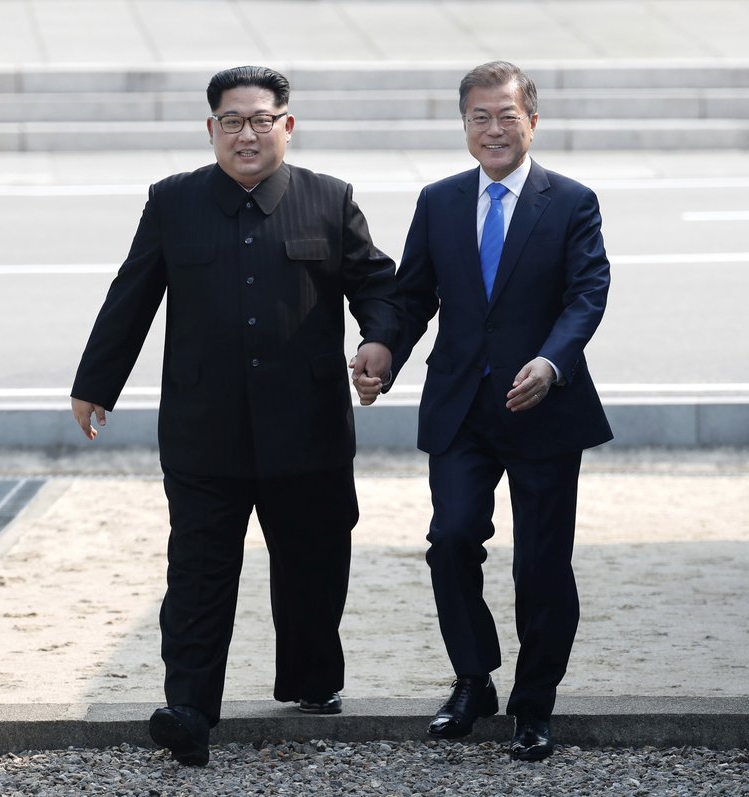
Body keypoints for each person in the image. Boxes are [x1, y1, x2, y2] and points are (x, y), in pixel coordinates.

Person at [71, 65, 398, 767]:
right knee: (196, 569)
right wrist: (96, 382)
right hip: (202, 427)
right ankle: (188, 706)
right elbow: (131, 295)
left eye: (259, 119)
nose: (245, 133)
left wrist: (379, 340)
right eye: (231, 121)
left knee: (314, 561)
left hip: (307, 424)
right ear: (210, 128)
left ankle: (312, 678)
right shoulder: (173, 202)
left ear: (287, 123)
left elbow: (378, 284)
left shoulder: (329, 200)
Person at [354, 61, 612, 761]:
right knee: (451, 539)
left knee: (542, 567)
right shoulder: (438, 201)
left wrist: (551, 362)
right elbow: (412, 297)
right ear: (464, 124)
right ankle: (475, 679)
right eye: (479, 117)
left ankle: (535, 705)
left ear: (532, 119)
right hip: (462, 406)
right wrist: (381, 348)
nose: (493, 129)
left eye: (506, 115)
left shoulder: (571, 200)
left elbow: (587, 293)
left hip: (544, 407)